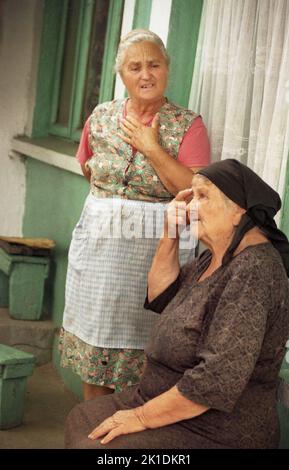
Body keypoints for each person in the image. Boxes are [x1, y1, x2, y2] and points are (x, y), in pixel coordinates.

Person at [65, 159, 289, 449]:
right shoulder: (214, 257)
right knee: (83, 417)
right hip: (160, 398)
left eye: (203, 196)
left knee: (101, 448)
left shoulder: (254, 270)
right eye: (191, 196)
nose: (190, 207)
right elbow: (162, 295)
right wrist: (170, 233)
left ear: (239, 210)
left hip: (215, 428)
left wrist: (142, 417)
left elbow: (216, 379)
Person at [59, 29, 210, 401]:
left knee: (143, 348)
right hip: (100, 251)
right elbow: (88, 166)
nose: (146, 74)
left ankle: (133, 436)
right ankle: (95, 438)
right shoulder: (101, 116)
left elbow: (191, 189)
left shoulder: (188, 125)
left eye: (154, 65)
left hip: (153, 252)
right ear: (121, 74)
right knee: (96, 346)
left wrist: (151, 148)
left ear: (166, 70)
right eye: (135, 66)